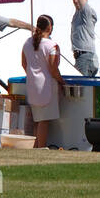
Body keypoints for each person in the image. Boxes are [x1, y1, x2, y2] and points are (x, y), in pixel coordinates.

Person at [21, 14, 64, 149]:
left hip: (32, 84)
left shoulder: (27, 42)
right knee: (44, 121)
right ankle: (41, 148)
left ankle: (36, 147)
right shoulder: (52, 45)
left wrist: (33, 75)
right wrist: (61, 81)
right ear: (50, 28)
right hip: (46, 85)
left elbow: (24, 64)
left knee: (37, 120)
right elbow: (53, 68)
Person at [70, 0, 99, 77]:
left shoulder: (87, 11)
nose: (75, 1)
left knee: (83, 88)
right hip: (83, 58)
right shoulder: (77, 13)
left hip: (85, 58)